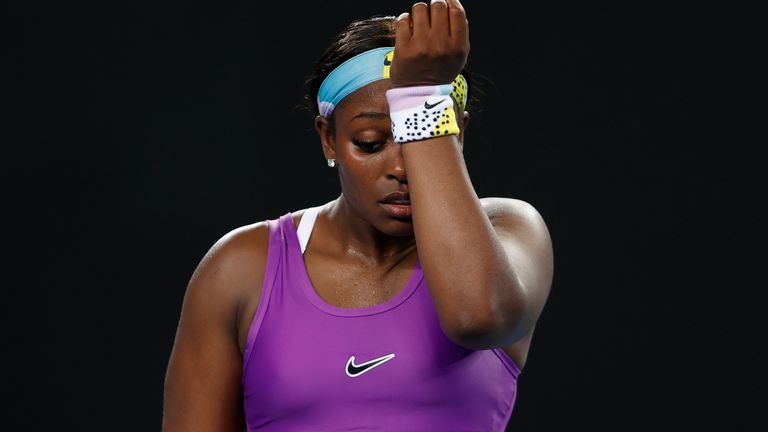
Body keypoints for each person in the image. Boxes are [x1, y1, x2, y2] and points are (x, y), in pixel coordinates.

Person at [162, 0, 553, 430]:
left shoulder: (509, 232)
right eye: (370, 142)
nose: (402, 169)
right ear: (328, 139)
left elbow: (477, 318)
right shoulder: (241, 269)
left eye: (421, 134)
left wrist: (421, 96)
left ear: (454, 130)